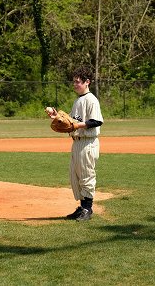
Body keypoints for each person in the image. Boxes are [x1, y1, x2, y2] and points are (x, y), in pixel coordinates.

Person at [48, 65, 103, 221]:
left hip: (87, 143)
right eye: (74, 82)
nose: (75, 84)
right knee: (76, 176)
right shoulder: (78, 101)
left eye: (78, 81)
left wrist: (76, 126)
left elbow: (96, 121)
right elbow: (69, 121)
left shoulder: (91, 100)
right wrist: (55, 115)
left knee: (86, 175)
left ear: (87, 82)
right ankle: (82, 207)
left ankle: (88, 209)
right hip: (77, 142)